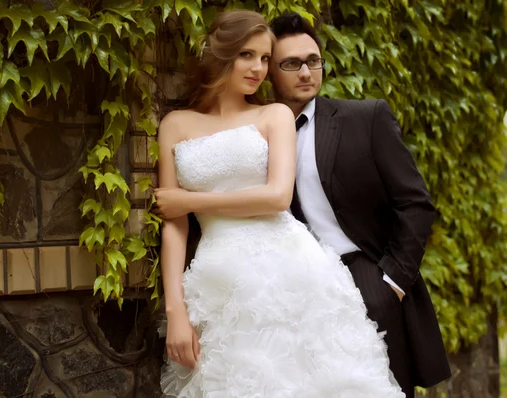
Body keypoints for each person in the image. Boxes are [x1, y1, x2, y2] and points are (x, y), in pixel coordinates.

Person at [155, 10, 405, 397]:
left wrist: (188, 199)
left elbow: (277, 197)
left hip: (291, 273)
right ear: (220, 54)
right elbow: (175, 224)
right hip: (218, 281)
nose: (259, 68)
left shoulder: (274, 115)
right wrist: (175, 311)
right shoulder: (174, 125)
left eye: (266, 58)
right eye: (247, 55)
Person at [265, 12, 452, 397]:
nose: (305, 72)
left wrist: (392, 283)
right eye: (291, 63)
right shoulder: (256, 134)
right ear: (270, 71)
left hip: (367, 277)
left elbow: (415, 203)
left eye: (313, 61)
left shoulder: (365, 118)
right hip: (296, 292)